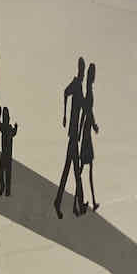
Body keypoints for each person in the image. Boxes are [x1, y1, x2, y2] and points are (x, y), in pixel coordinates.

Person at [53, 57, 87, 219]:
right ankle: (76, 204)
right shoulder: (76, 84)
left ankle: (59, 201)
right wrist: (65, 115)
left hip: (74, 135)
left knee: (70, 170)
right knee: (74, 172)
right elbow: (65, 92)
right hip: (73, 135)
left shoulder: (79, 86)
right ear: (79, 70)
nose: (83, 73)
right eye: (82, 70)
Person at [80, 62, 101, 213]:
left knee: (84, 168)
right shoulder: (88, 90)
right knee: (85, 169)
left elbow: (88, 110)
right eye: (94, 74)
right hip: (86, 135)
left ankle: (91, 200)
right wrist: (93, 125)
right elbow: (88, 110)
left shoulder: (89, 89)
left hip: (86, 133)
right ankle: (85, 200)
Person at [0, 106, 18, 197]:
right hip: (5, 154)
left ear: (8, 118)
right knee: (1, 172)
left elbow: (14, 133)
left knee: (6, 173)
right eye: (4, 117)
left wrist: (16, 128)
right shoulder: (5, 127)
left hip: (7, 155)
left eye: (6, 117)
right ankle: (4, 187)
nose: (5, 118)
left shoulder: (8, 128)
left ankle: (6, 190)